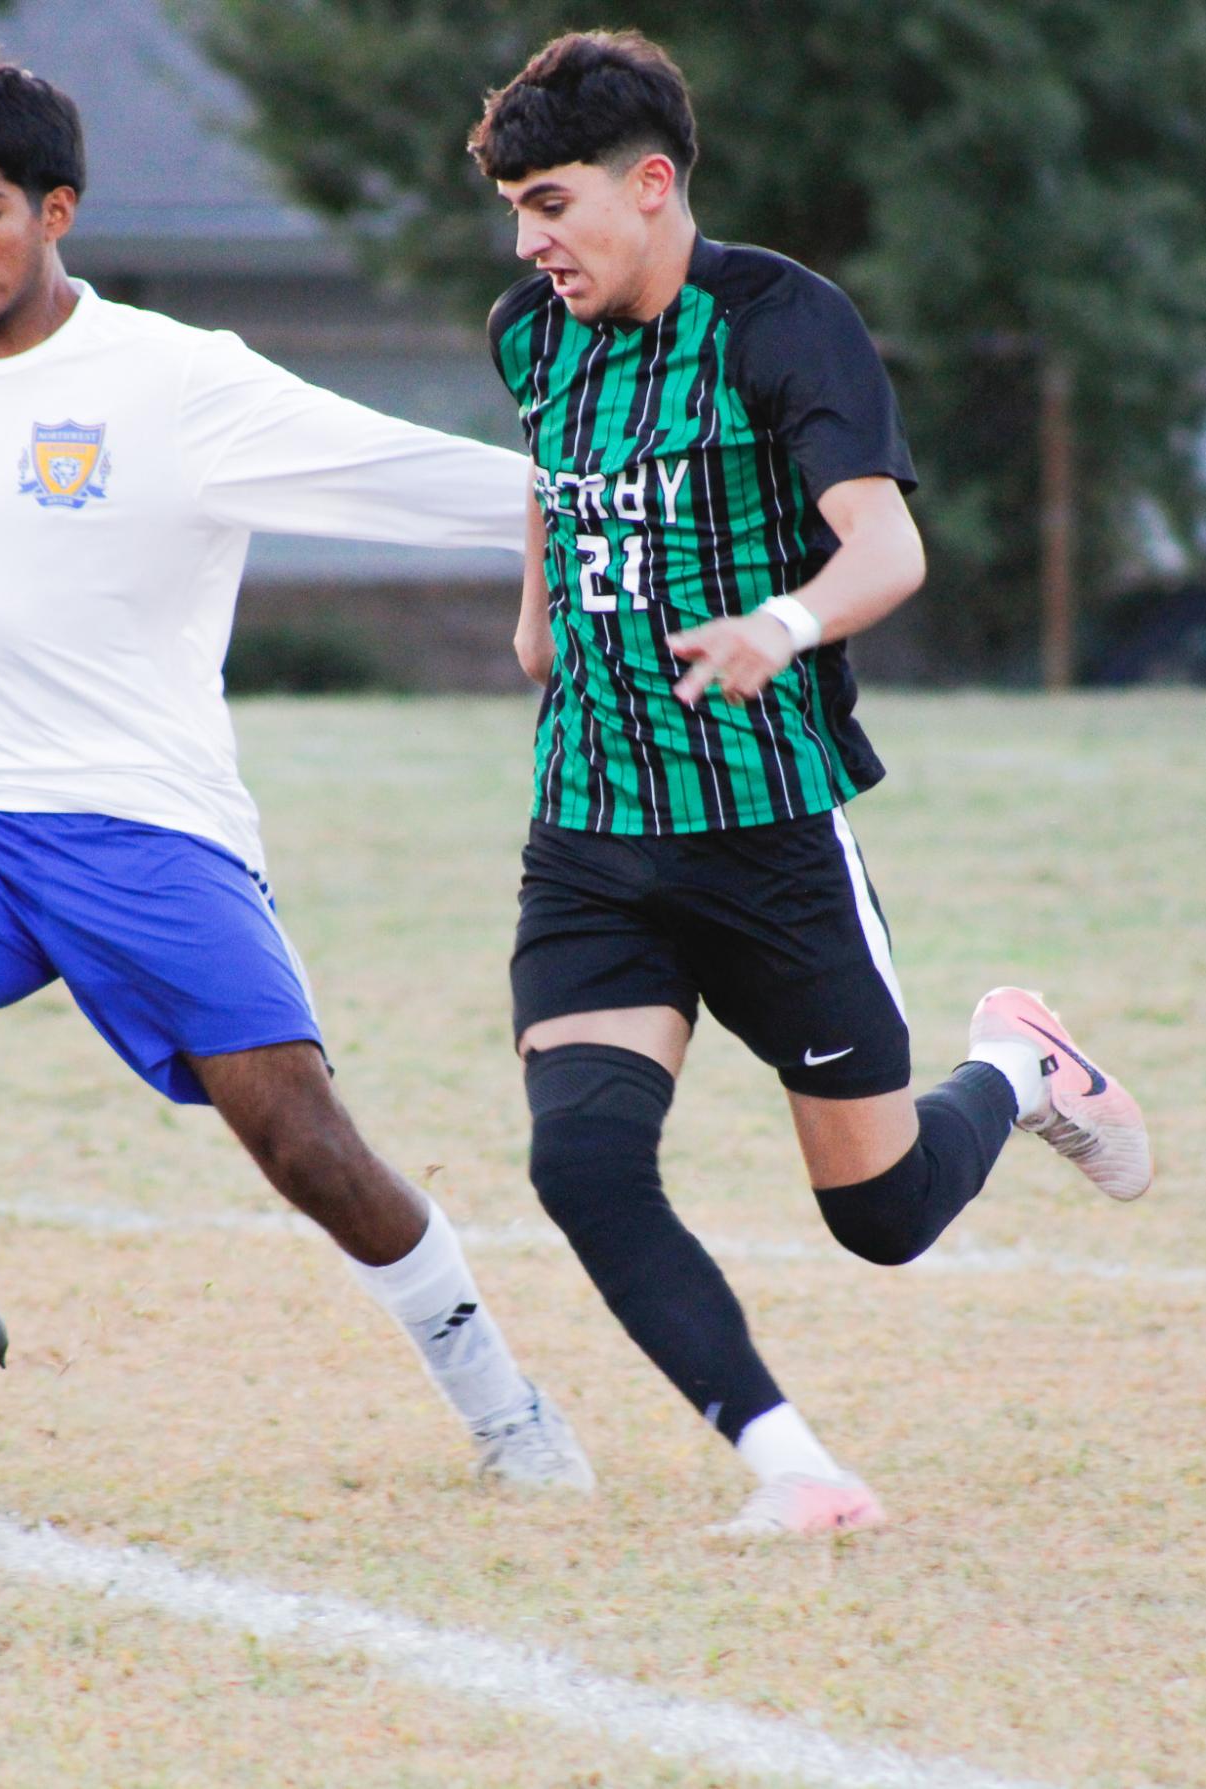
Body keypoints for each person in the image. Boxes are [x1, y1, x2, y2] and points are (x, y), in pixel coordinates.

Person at [0, 44, 593, 1491]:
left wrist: (588, 507)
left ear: (57, 211)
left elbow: (395, 470)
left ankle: (506, 1406)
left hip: (144, 826)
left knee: (303, 1140)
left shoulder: (172, 382)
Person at [468, 31, 1152, 1538]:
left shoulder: (786, 319)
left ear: (651, 187)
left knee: (883, 1215)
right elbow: (545, 469)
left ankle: (1019, 1065)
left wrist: (778, 626)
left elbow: (887, 548)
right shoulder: (529, 329)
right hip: (586, 834)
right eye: (515, 206)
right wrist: (536, 615)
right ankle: (792, 1464)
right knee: (581, 1158)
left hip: (765, 836)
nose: (529, 239)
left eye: (553, 200)